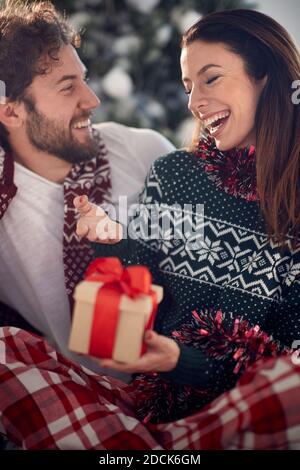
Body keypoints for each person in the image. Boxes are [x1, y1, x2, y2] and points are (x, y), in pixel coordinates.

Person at [0, 8, 299, 449]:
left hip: (245, 399)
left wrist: (181, 360)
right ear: (10, 112)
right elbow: (143, 276)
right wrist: (114, 241)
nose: (194, 102)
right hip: (142, 399)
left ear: (265, 77)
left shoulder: (288, 203)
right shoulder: (175, 173)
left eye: (210, 78)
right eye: (188, 87)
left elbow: (284, 353)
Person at [0, 0, 174, 376]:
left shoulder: (144, 152)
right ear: (11, 111)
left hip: (186, 377)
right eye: (67, 87)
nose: (92, 100)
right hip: (82, 402)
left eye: (85, 78)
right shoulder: (4, 202)